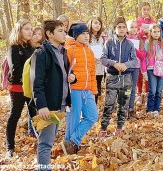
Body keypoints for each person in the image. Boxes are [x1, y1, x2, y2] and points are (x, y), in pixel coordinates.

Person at [31, 20, 76, 170]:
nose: (64, 33)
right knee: (45, 142)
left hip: (61, 102)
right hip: (48, 105)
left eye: (64, 30)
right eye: (60, 31)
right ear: (50, 34)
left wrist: (72, 77)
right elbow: (37, 82)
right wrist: (42, 105)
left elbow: (69, 72)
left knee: (50, 138)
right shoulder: (41, 52)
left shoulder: (63, 51)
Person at [63, 22, 98, 154]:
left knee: (92, 116)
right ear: (75, 35)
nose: (85, 36)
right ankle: (70, 147)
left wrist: (93, 90)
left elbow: (93, 72)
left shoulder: (89, 51)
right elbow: (65, 70)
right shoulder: (69, 50)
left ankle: (72, 141)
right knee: (74, 118)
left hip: (87, 90)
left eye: (87, 33)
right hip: (74, 90)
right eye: (82, 34)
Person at [99, 17, 138, 137]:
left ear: (126, 29)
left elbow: (135, 61)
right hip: (112, 78)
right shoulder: (109, 43)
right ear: (115, 29)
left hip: (126, 79)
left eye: (123, 27)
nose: (121, 29)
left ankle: (119, 127)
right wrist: (114, 63)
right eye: (119, 27)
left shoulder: (130, 44)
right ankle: (103, 128)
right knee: (109, 104)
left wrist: (126, 65)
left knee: (124, 105)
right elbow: (103, 59)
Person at [6, 19, 36, 158]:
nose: (30, 31)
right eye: (27, 29)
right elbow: (15, 70)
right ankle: (10, 147)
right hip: (18, 87)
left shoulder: (31, 48)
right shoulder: (13, 48)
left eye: (31, 29)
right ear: (19, 31)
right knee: (15, 115)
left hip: (31, 87)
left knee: (34, 115)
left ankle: (40, 143)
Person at [141, 24, 163, 116]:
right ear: (150, 32)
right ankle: (150, 109)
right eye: (154, 32)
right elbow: (143, 59)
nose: (156, 34)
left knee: (159, 90)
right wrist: (144, 71)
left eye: (158, 32)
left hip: (162, 69)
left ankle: (156, 109)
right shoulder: (147, 44)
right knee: (153, 90)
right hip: (151, 69)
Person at [135, 2, 155, 99]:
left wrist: (149, 32)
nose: (146, 11)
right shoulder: (138, 20)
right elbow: (136, 33)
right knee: (139, 69)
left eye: (148, 9)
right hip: (139, 46)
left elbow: (156, 33)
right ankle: (138, 92)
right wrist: (142, 31)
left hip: (149, 47)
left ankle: (147, 92)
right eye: (144, 9)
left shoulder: (152, 21)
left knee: (148, 68)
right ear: (141, 10)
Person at [126, 20, 146, 118]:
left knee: (133, 88)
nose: (134, 29)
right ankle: (124, 107)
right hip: (126, 67)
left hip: (136, 67)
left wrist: (135, 50)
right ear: (127, 29)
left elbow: (142, 56)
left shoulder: (140, 40)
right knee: (126, 88)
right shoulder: (124, 39)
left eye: (135, 27)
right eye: (131, 27)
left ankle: (131, 109)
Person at [87, 17, 106, 104]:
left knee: (97, 89)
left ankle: (94, 108)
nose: (97, 25)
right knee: (89, 89)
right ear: (90, 24)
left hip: (100, 67)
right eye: (95, 23)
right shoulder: (87, 36)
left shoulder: (103, 38)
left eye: (99, 23)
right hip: (90, 67)